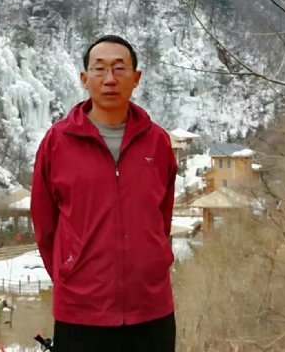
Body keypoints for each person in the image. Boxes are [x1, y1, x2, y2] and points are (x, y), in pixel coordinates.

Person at [31, 35, 177, 352]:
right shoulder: (57, 142)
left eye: (120, 68)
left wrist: (152, 263)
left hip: (151, 308)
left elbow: (161, 219)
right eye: (99, 69)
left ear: (136, 78)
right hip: (80, 312)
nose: (110, 79)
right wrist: (70, 276)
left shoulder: (157, 142)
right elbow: (45, 227)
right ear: (85, 79)